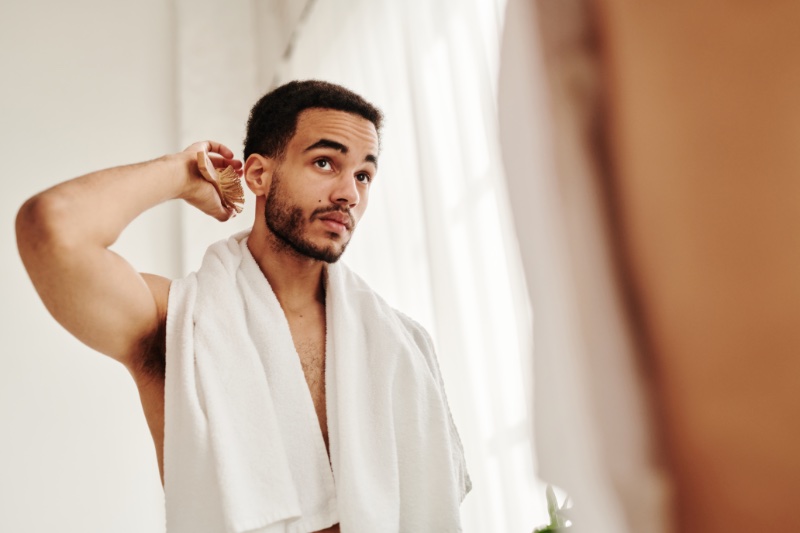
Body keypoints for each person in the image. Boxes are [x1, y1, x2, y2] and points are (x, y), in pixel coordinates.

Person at [16, 80, 469, 533]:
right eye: (325, 162)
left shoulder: (404, 344)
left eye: (363, 175)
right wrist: (182, 173)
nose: (349, 193)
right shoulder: (175, 323)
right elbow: (52, 229)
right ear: (257, 176)